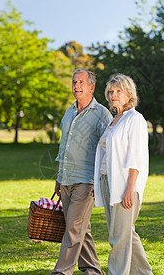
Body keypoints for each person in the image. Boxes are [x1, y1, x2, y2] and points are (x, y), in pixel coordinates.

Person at [50, 68, 112, 275]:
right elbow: (63, 147)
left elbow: (106, 150)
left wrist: (100, 181)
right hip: (66, 178)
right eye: (74, 82)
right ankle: (93, 269)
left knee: (74, 228)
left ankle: (62, 271)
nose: (76, 86)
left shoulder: (102, 114)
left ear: (91, 87)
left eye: (80, 82)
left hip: (87, 181)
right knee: (80, 228)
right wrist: (59, 178)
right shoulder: (69, 112)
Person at [94, 74, 153, 275]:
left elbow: (135, 157)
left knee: (118, 237)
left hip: (124, 185)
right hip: (107, 181)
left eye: (118, 91)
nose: (113, 95)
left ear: (129, 94)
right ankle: (144, 273)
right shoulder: (114, 120)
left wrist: (129, 189)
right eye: (110, 92)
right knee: (125, 233)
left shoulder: (135, 119)